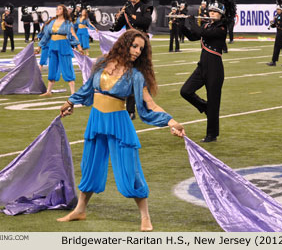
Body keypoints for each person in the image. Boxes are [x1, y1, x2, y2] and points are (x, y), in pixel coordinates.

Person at [57, 29, 186, 232]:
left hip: (119, 124)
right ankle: (80, 210)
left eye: (141, 49)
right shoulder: (101, 63)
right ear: (124, 44)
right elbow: (87, 88)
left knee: (130, 170)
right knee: (90, 166)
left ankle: (145, 216)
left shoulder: (136, 76)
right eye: (134, 46)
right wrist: (70, 102)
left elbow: (150, 105)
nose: (137, 51)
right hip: (96, 121)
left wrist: (172, 122)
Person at [180, 0, 236, 142]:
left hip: (215, 69)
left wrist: (192, 22)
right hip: (202, 67)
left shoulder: (222, 28)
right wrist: (182, 26)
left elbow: (203, 34)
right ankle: (204, 106)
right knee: (185, 91)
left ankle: (212, 134)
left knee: (214, 102)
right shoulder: (207, 26)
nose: (211, 14)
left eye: (215, 12)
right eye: (210, 11)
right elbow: (193, 36)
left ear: (221, 15)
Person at [111, 0, 152, 121]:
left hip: (142, 45)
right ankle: (130, 110)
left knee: (144, 75)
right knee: (129, 75)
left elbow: (146, 22)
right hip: (129, 46)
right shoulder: (127, 8)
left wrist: (130, 15)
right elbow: (116, 28)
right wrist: (118, 17)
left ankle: (147, 103)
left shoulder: (145, 7)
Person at [35, 4, 83, 96]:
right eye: (57, 9)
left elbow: (73, 36)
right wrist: (39, 47)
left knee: (67, 67)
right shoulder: (52, 22)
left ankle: (73, 92)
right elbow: (46, 36)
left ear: (63, 11)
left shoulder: (68, 23)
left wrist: (79, 47)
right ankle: (48, 91)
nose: (57, 10)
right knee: (52, 68)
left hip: (63, 46)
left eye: (59, 9)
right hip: (53, 46)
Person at [267, 0, 282, 67]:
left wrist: (276, 23)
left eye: (278, 9)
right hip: (279, 33)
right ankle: (278, 61)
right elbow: (276, 25)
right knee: (280, 48)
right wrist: (272, 24)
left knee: (280, 48)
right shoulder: (279, 16)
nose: (277, 11)